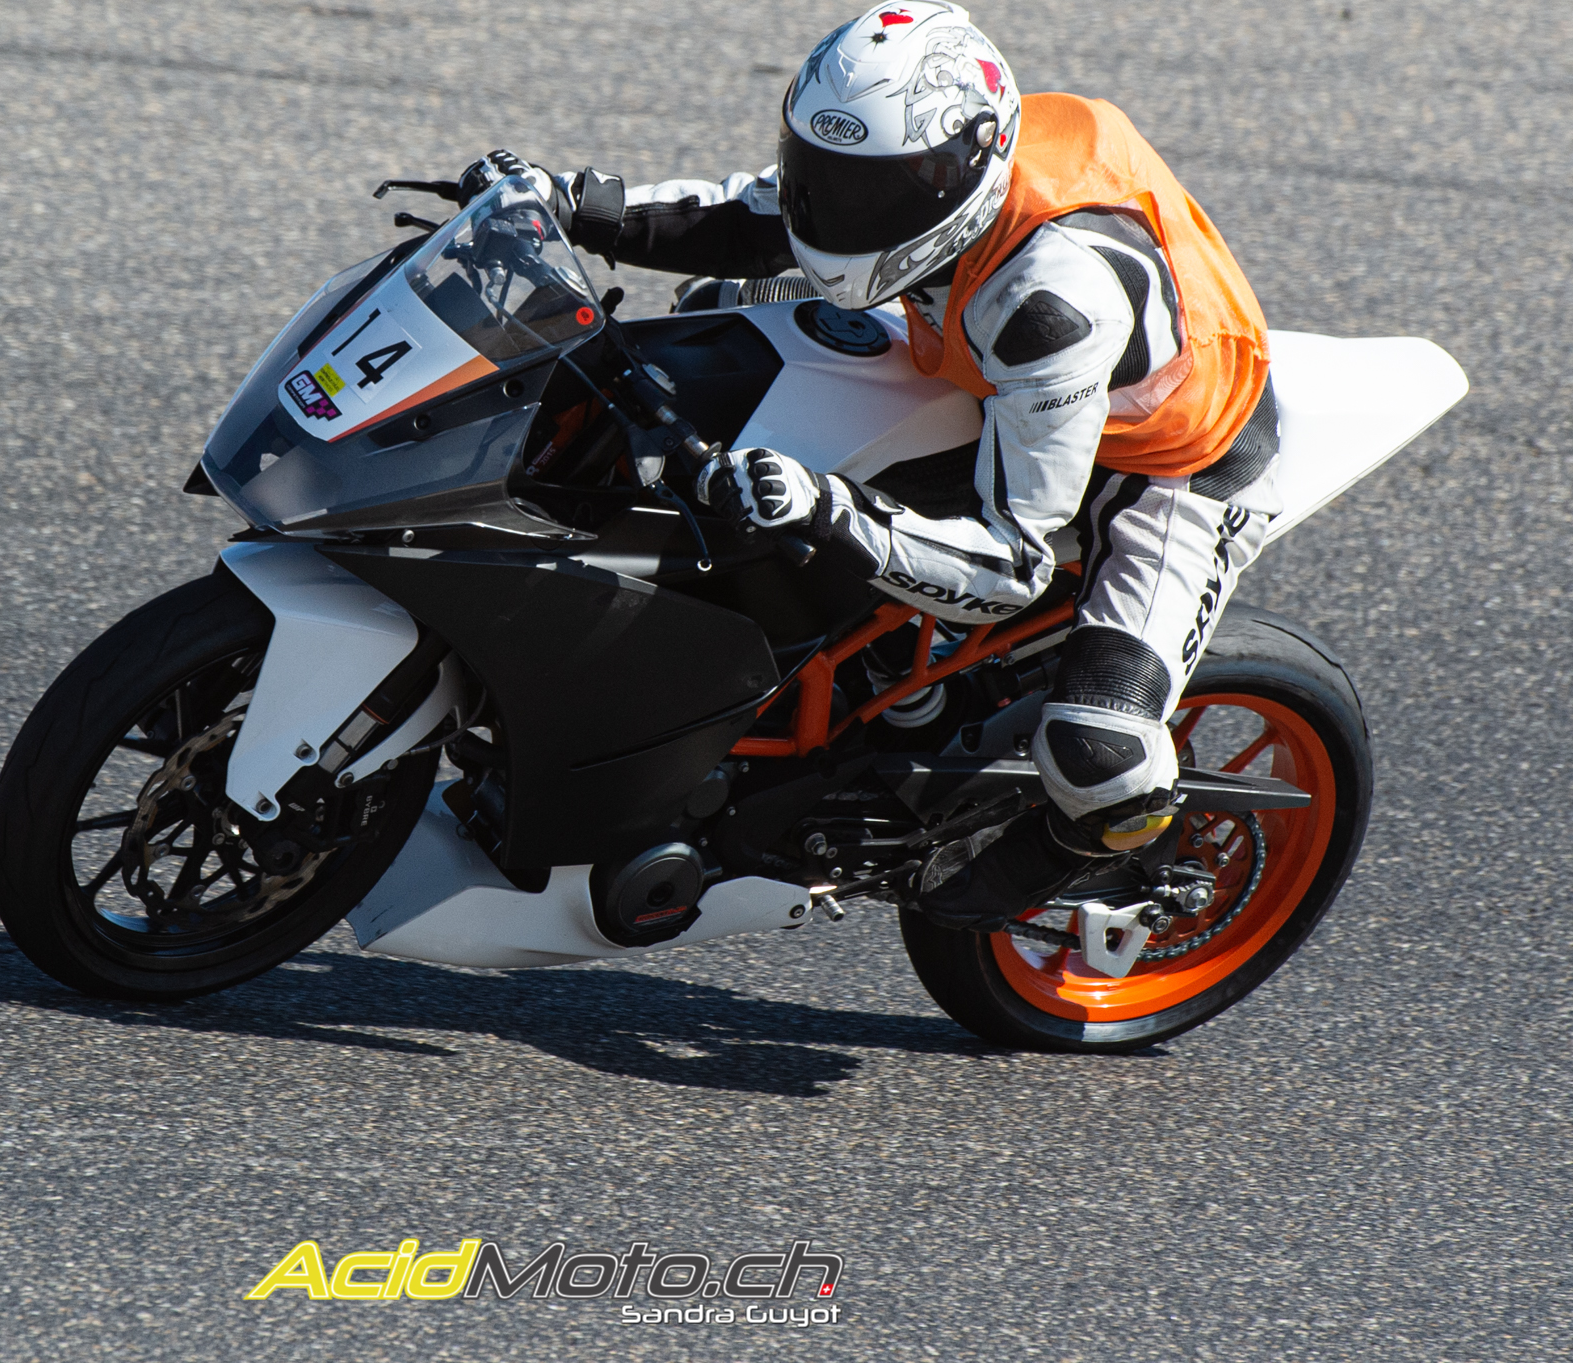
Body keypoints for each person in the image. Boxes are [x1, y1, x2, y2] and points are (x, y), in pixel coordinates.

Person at [460, 0, 1282, 934]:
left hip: (1169, 459)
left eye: (875, 194)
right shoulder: (919, 173)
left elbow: (1013, 562)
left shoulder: (1049, 303)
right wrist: (565, 204)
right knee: (711, 329)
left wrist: (828, 509)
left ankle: (1089, 839)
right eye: (825, 177)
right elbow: (747, 216)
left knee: (1099, 750)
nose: (840, 212)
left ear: (967, 167)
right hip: (986, 363)